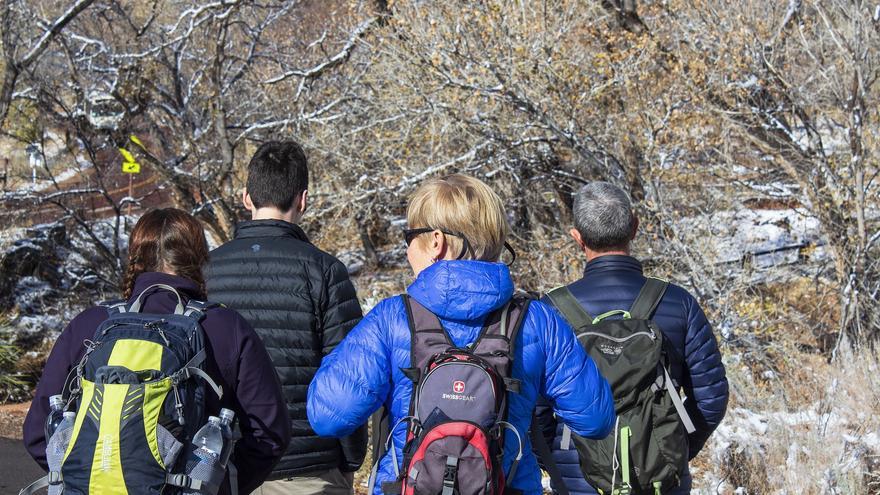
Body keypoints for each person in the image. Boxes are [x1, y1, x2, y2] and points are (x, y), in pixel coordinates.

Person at [306, 173, 616, 495]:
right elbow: (596, 419)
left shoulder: (392, 319)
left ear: (436, 242)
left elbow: (326, 415)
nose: (407, 249)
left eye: (409, 236)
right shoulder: (537, 320)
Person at [22, 208, 291, 495]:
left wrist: (85, 478)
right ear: (199, 258)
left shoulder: (90, 324)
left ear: (135, 257)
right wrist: (213, 484)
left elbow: (39, 430)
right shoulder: (226, 327)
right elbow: (270, 433)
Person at [539, 181, 729, 494]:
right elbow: (711, 397)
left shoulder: (549, 311)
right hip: (662, 481)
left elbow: (535, 407)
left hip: (579, 482)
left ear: (577, 237)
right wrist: (673, 450)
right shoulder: (678, 303)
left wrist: (560, 460)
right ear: (635, 226)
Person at [204, 141, 366, 495]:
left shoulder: (205, 272)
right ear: (303, 199)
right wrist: (351, 457)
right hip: (310, 467)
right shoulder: (325, 272)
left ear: (246, 198)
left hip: (221, 467)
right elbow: (348, 378)